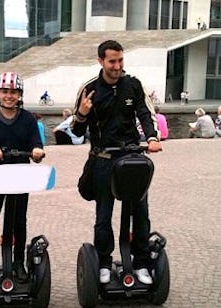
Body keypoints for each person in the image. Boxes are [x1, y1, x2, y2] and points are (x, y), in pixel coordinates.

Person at [71, 40, 163, 285]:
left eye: (120, 60)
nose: (117, 66)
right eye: (112, 61)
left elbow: (145, 113)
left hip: (133, 158)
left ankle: (141, 261)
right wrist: (82, 113)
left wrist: (152, 137)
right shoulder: (89, 89)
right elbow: (77, 131)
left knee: (140, 213)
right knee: (104, 215)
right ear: (100, 61)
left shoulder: (133, 85)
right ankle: (102, 262)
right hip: (104, 159)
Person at [0, 71, 45, 286]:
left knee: (19, 220)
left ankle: (18, 263)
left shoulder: (28, 119)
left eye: (13, 92)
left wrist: (37, 151)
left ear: (20, 94)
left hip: (19, 176)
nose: (9, 96)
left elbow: (37, 144)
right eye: (5, 91)